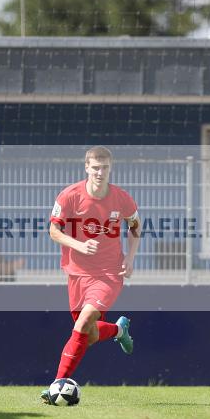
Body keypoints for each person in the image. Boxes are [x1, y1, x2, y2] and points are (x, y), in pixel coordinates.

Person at [42, 146, 140, 403]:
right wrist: (80, 246)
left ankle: (56, 385)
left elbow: (135, 226)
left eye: (104, 167)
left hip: (109, 273)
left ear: (110, 168)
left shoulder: (121, 198)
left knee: (83, 322)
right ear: (86, 167)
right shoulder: (69, 196)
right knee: (89, 333)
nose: (100, 172)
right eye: (95, 167)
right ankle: (118, 331)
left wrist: (130, 258)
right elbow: (53, 231)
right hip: (76, 273)